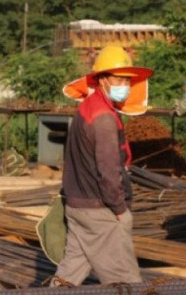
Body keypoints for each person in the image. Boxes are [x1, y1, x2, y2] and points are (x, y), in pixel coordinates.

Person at [52, 45, 153, 286]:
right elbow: (109, 171)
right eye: (119, 79)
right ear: (103, 79)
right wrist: (119, 209)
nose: (125, 86)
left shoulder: (87, 107)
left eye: (127, 81)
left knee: (68, 276)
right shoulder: (104, 118)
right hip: (100, 211)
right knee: (125, 282)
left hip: (77, 205)